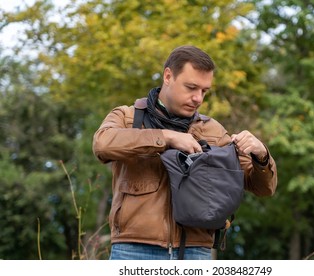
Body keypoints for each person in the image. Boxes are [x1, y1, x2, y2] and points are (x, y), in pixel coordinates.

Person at [92, 45, 277, 260]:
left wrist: (261, 156)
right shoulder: (127, 117)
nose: (198, 98)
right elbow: (102, 144)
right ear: (168, 76)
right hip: (134, 250)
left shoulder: (213, 131)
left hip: (195, 252)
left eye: (204, 91)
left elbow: (264, 188)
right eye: (191, 87)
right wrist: (166, 137)